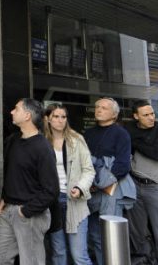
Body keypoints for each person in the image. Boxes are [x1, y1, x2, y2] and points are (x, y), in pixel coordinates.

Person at [0, 99, 58, 265]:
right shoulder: (14, 140)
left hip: (30, 214)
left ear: (27, 115)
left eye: (16, 108)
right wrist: (5, 197)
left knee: (32, 262)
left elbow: (51, 190)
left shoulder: (43, 148)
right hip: (9, 210)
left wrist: (26, 211)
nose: (12, 112)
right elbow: (12, 172)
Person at [43, 103, 94, 265]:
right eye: (56, 117)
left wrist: (80, 187)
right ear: (48, 119)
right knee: (58, 253)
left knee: (79, 255)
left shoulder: (76, 139)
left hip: (74, 201)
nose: (60, 120)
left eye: (63, 117)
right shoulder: (42, 141)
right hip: (52, 202)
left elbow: (89, 170)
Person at [125, 100, 158, 265]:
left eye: (152, 113)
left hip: (156, 187)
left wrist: (136, 142)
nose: (151, 117)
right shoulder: (130, 128)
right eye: (145, 115)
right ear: (136, 116)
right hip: (135, 185)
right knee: (137, 233)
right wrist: (143, 143)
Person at [83, 97, 131, 265]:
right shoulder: (88, 133)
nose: (99, 110)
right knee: (95, 235)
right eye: (97, 107)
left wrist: (99, 183)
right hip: (90, 190)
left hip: (110, 190)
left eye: (103, 107)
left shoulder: (121, 134)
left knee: (111, 235)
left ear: (114, 114)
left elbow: (123, 165)